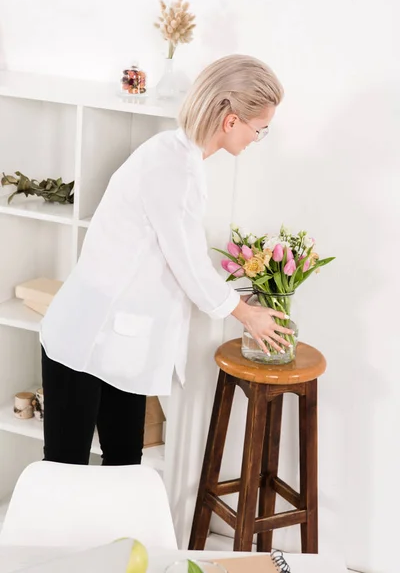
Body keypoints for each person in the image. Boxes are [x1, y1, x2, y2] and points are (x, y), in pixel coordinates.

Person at [40, 54, 293, 466]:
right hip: (86, 339)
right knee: (64, 468)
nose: (255, 139)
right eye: (259, 130)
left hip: (122, 344)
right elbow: (189, 263)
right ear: (231, 121)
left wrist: (241, 302)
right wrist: (246, 314)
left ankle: (118, 533)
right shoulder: (172, 167)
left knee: (125, 460)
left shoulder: (179, 158)